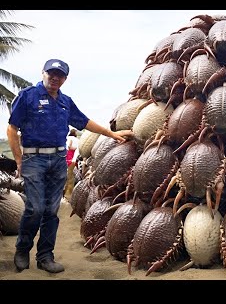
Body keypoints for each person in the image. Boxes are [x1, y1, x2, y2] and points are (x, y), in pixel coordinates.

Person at [6, 58, 133, 274]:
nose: (55, 78)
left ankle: (45, 256)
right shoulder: (27, 96)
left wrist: (111, 134)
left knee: (51, 211)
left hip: (57, 160)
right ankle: (22, 249)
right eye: (51, 73)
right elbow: (12, 129)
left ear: (65, 79)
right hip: (33, 160)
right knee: (35, 208)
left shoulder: (65, 101)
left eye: (60, 75)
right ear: (43, 73)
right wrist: (19, 159)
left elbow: (84, 122)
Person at [64, 128, 79, 200]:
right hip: (72, 159)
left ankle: (63, 193)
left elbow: (67, 147)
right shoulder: (76, 139)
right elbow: (70, 147)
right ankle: (68, 194)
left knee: (64, 176)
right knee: (71, 178)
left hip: (66, 157)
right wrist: (75, 148)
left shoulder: (67, 138)